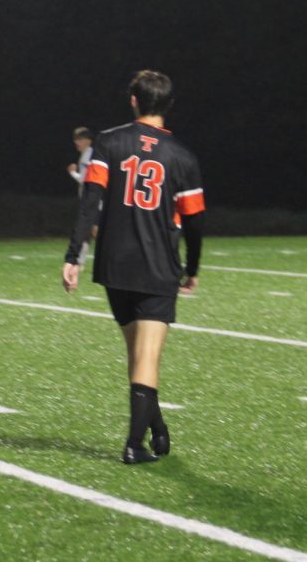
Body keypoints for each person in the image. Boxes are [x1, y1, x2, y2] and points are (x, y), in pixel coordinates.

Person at [62, 71, 205, 464]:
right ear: (169, 106)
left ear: (133, 101)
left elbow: (90, 202)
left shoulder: (108, 142)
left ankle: (155, 427)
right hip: (157, 264)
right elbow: (194, 222)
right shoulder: (182, 155)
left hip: (114, 264)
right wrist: (192, 268)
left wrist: (74, 254)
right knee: (147, 357)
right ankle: (134, 445)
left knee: (136, 352)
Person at [66, 126, 95, 267]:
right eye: (75, 139)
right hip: (89, 199)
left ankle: (79, 261)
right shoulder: (87, 154)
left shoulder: (88, 155)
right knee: (88, 231)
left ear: (87, 140)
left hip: (91, 200)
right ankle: (80, 261)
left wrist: (72, 173)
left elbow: (85, 179)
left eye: (79, 139)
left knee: (90, 230)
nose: (76, 142)